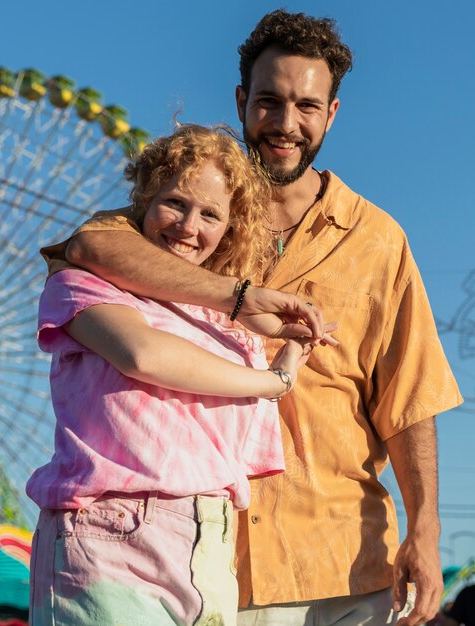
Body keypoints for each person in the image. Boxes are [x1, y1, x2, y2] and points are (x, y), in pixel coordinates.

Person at [40, 9, 463, 626]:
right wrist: (238, 297)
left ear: (333, 113)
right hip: (205, 561)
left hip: (343, 557)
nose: (286, 124)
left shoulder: (379, 240)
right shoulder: (183, 223)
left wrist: (424, 531)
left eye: (307, 106)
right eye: (269, 102)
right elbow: (87, 248)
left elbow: (409, 399)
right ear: (242, 101)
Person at [27, 125, 331, 626]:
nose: (189, 227)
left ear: (229, 227)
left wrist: (289, 347)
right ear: (142, 203)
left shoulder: (220, 322)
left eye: (211, 214)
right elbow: (143, 355)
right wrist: (273, 382)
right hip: (110, 532)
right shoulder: (78, 281)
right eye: (174, 203)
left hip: (208, 542)